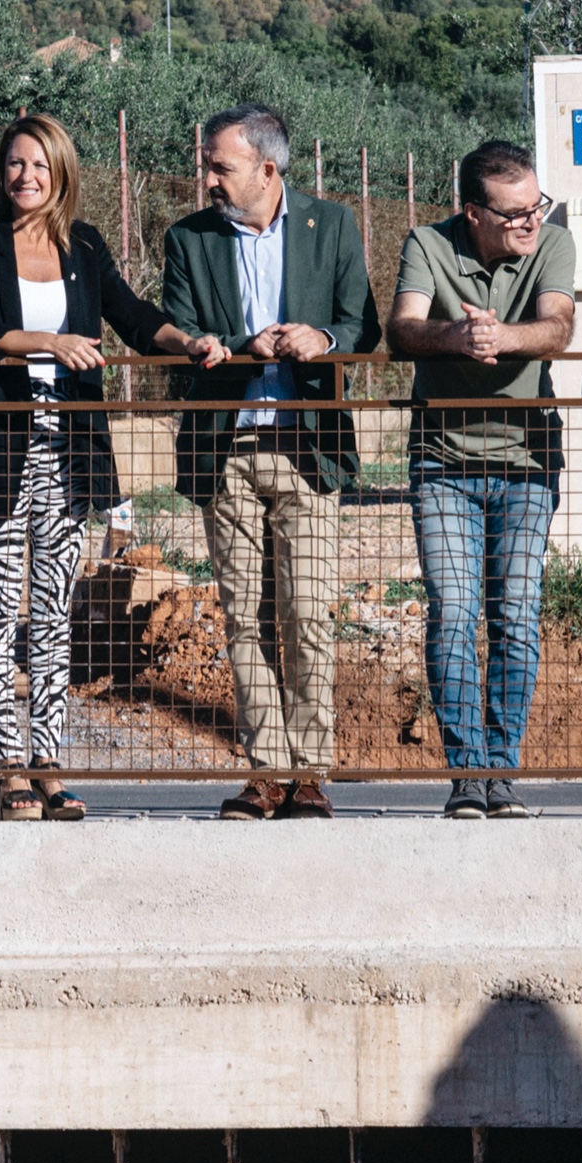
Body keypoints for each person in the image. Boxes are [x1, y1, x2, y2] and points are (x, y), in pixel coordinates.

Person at [0, 113, 229, 820]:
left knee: (53, 616)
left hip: (68, 454)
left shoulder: (85, 245)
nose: (26, 177)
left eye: (39, 166)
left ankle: (49, 765)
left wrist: (184, 341)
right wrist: (52, 343)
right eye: (14, 164)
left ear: (61, 172)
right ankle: (6, 765)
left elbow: (133, 315)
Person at [159, 104, 381, 821]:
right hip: (227, 451)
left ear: (266, 169)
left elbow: (363, 325)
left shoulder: (333, 225)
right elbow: (183, 326)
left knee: (307, 612)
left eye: (220, 166)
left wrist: (321, 337)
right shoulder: (188, 239)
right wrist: (237, 342)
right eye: (207, 164)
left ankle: (310, 771)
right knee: (244, 619)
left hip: (306, 448)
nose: (208, 178)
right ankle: (267, 772)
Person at [385, 138, 577, 820]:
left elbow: (558, 326)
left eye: (536, 206)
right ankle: (467, 772)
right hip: (443, 464)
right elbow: (403, 329)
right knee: (455, 614)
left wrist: (503, 339)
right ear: (473, 213)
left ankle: (502, 768)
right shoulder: (426, 245)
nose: (531, 220)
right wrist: (456, 339)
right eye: (515, 212)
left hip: (528, 465)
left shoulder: (552, 244)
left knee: (517, 617)